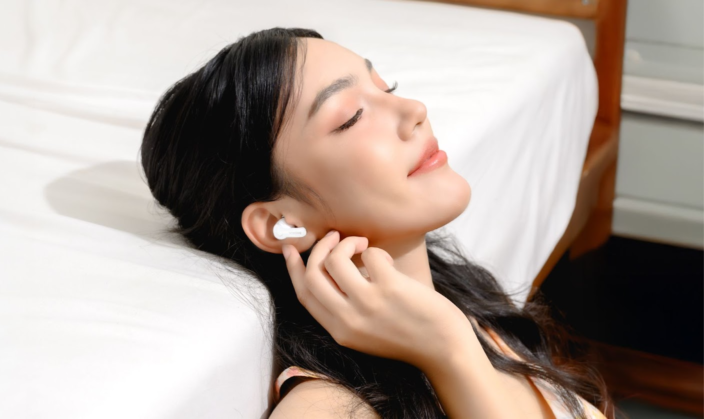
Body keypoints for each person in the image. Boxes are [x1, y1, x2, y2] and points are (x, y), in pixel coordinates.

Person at [140, 27, 614, 418]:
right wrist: (447, 350)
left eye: (387, 88)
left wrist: (450, 342)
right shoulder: (328, 409)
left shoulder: (471, 313)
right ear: (280, 222)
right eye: (351, 116)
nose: (414, 111)